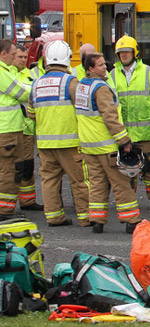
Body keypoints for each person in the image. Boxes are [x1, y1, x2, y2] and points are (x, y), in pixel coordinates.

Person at [74, 52, 142, 234]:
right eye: (101, 65)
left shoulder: (82, 86)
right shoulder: (101, 88)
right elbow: (110, 117)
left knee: (97, 183)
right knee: (121, 184)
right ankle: (131, 220)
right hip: (107, 146)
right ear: (90, 68)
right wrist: (124, 140)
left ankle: (97, 220)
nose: (105, 67)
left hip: (89, 146)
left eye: (105, 64)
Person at [28, 40, 90, 227]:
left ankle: (54, 217)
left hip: (45, 144)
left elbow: (31, 113)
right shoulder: (71, 82)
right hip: (70, 142)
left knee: (49, 181)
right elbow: (83, 107)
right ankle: (85, 217)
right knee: (79, 180)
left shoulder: (36, 83)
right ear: (67, 59)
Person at [108, 35, 150, 209]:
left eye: (127, 52)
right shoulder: (112, 75)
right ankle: (130, 200)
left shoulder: (148, 72)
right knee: (127, 169)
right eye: (121, 52)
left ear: (135, 53)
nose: (124, 55)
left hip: (145, 131)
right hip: (124, 132)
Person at [0, 40, 32, 220]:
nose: (15, 58)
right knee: (8, 170)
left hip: (7, 128)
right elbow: (21, 93)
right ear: (3, 54)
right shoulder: (2, 72)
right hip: (7, 130)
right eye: (13, 55)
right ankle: (4, 211)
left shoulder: (6, 71)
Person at [13, 44, 40, 211]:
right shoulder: (9, 75)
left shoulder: (29, 75)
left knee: (27, 166)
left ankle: (27, 201)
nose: (23, 60)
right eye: (19, 57)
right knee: (13, 167)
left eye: (25, 57)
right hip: (12, 127)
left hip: (28, 129)